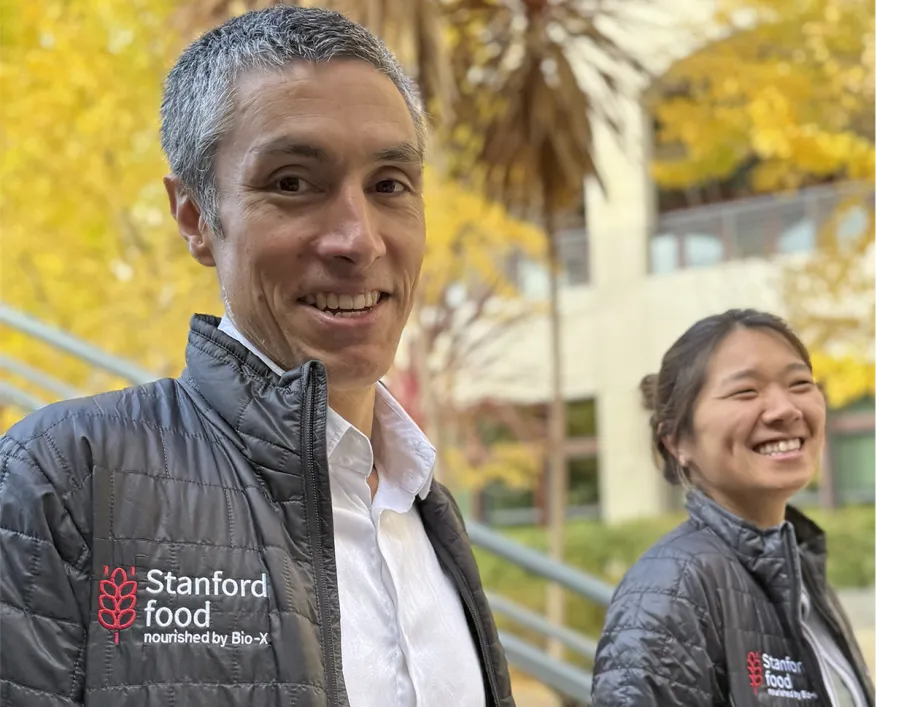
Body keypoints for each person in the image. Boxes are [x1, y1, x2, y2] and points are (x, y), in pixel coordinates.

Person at [0, 7, 513, 707]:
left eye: (390, 184)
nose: (358, 240)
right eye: (292, 183)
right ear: (195, 218)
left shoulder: (423, 507)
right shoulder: (65, 479)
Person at [592, 309, 876, 707]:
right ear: (676, 441)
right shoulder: (672, 590)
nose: (785, 409)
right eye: (746, 391)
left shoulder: (801, 568)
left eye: (799, 384)